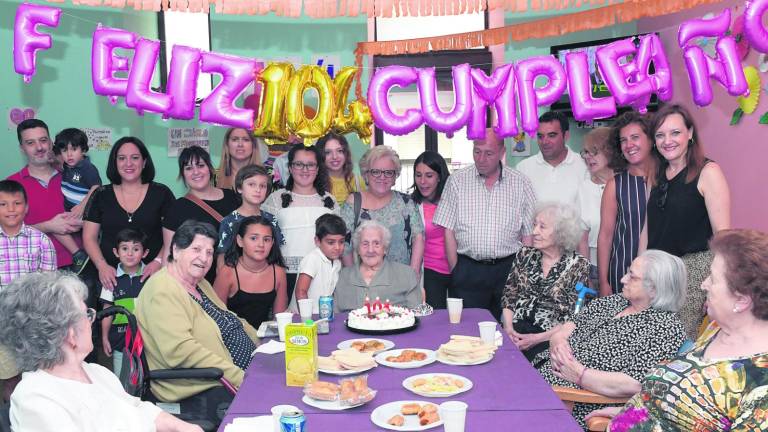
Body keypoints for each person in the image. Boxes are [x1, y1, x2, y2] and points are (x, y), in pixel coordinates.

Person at [590, 229, 768, 431]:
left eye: (713, 279)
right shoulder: (716, 330)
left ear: (742, 300)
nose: (703, 285)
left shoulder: (761, 382)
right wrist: (634, 413)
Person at [0, 271, 202, 432]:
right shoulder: (36, 399)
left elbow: (139, 409)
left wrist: (182, 426)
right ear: (70, 334)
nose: (93, 319)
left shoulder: (96, 372)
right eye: (86, 314)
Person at [541, 250, 687, 429]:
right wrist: (559, 344)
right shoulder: (615, 301)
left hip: (573, 402)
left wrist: (580, 374)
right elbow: (568, 327)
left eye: (632, 277)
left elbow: (634, 384)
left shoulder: (666, 328)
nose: (623, 279)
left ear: (655, 288)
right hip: (543, 376)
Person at [136, 221, 259, 423]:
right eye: (196, 249)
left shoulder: (198, 283)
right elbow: (180, 352)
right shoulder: (162, 290)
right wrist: (238, 376)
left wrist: (260, 340)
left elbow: (228, 316)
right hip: (202, 386)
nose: (204, 258)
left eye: (209, 252)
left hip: (235, 373)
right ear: (176, 250)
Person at [647, 104, 731, 340]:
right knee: (651, 336)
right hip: (657, 269)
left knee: (677, 339)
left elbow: (723, 235)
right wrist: (640, 263)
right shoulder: (657, 174)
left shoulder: (708, 171)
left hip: (692, 269)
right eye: (660, 135)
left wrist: (716, 279)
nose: (667, 141)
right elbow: (649, 227)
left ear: (690, 133)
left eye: (675, 133)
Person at [434, 128, 536, 320]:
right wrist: (455, 269)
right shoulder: (457, 181)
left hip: (508, 269)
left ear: (502, 152)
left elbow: (528, 233)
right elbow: (448, 229)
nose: (481, 158)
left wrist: (522, 273)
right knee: (466, 330)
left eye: (488, 153)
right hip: (468, 269)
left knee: (508, 329)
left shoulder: (521, 183)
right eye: (476, 151)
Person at [83, 137, 175, 291]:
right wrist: (102, 266)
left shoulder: (161, 193)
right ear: (115, 162)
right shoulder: (101, 194)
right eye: (122, 158)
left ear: (144, 162)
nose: (128, 164)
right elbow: (89, 237)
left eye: (135, 158)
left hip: (153, 276)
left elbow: (173, 235)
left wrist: (159, 262)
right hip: (110, 279)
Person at [501, 202, 590, 361]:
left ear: (560, 233)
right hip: (514, 331)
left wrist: (535, 339)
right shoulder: (524, 254)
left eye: (542, 227)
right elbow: (510, 296)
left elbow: (572, 319)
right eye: (534, 224)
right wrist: (508, 329)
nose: (534, 231)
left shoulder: (578, 265)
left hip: (549, 338)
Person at [0, 179, 57, 402]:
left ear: (26, 207)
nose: (11, 209)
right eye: (3, 204)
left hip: (33, 325)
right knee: (9, 379)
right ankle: (13, 422)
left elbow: (49, 287)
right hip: (3, 326)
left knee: (36, 379)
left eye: (16, 203)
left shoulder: (40, 241)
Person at [262, 143, 338, 299]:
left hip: (322, 276)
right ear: (290, 168)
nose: (305, 170)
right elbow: (267, 240)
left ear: (317, 169)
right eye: (299, 164)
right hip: (284, 276)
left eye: (310, 165)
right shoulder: (275, 200)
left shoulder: (329, 201)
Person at [597, 112, 659, 296]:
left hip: (661, 275)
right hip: (623, 274)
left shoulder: (667, 179)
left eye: (635, 137)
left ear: (651, 140)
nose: (629, 145)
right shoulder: (615, 185)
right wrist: (603, 282)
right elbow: (605, 236)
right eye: (623, 140)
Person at [7, 119, 81, 270]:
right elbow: (8, 232)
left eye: (43, 140)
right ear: (22, 148)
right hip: (36, 269)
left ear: (51, 143)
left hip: (81, 265)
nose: (39, 147)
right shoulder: (11, 184)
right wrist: (48, 226)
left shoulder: (74, 177)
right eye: (30, 143)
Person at [341, 145, 424, 277]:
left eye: (388, 172)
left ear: (395, 176)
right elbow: (344, 244)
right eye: (376, 171)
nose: (382, 177)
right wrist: (354, 278)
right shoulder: (353, 203)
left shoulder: (407, 202)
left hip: (401, 282)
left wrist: (413, 274)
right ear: (366, 174)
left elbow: (418, 237)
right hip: (365, 284)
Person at [162, 146, 239, 284]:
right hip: (196, 283)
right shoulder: (177, 208)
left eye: (200, 165)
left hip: (237, 280)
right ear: (183, 174)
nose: (196, 172)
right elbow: (169, 255)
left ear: (209, 168)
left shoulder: (232, 198)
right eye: (188, 168)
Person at [214, 216, 288, 330]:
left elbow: (280, 319)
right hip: (233, 340)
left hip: (265, 340)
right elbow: (217, 319)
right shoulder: (227, 273)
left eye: (266, 239)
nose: (261, 245)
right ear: (240, 241)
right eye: (254, 238)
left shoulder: (278, 273)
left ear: (272, 243)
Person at [334, 220, 421, 312]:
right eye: (365, 244)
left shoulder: (406, 274)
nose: (370, 250)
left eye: (376, 243)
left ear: (385, 249)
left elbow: (417, 315)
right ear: (358, 249)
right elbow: (336, 318)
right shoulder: (343, 276)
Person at [99, 228, 149, 376]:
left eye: (136, 249)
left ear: (144, 253)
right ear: (116, 252)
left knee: (148, 377)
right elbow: (107, 311)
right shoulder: (111, 279)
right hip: (120, 341)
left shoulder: (151, 277)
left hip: (148, 339)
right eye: (125, 248)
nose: (130, 253)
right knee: (121, 380)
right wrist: (104, 337)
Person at [52, 128, 101, 273]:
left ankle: (81, 255)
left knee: (64, 228)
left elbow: (97, 187)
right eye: (64, 151)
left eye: (74, 149)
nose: (69, 154)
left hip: (85, 212)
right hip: (73, 211)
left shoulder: (87, 168)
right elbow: (58, 163)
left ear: (83, 150)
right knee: (55, 226)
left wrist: (82, 206)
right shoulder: (68, 166)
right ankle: (79, 253)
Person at [517, 111, 588, 206]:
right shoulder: (523, 168)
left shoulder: (584, 166)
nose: (545, 142)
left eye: (552, 135)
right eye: (540, 136)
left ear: (566, 136)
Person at [217, 164, 281, 268]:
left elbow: (277, 254)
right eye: (251, 184)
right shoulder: (229, 221)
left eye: (263, 186)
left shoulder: (271, 219)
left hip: (267, 277)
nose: (258, 190)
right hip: (237, 279)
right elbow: (221, 261)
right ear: (239, 188)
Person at [575, 127, 615, 290]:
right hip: (594, 269)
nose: (587, 157)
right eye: (585, 152)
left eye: (594, 151)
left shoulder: (627, 184)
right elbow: (581, 239)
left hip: (627, 266)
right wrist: (585, 275)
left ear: (610, 152)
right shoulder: (583, 188)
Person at [411, 151, 451, 309]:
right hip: (429, 272)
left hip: (457, 269)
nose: (422, 181)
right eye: (418, 175)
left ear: (439, 176)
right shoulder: (412, 205)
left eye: (429, 175)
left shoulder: (451, 201)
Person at [289, 213, 346, 313]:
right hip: (301, 318)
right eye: (331, 242)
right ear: (317, 241)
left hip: (322, 317)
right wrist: (307, 319)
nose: (337, 247)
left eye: (341, 242)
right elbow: (301, 291)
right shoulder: (312, 259)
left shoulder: (337, 263)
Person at [316, 132, 365, 204]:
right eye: (328, 152)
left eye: (339, 151)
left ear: (346, 153)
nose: (335, 156)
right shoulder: (315, 183)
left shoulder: (357, 182)